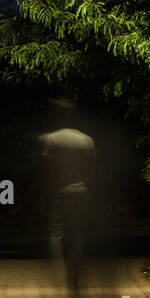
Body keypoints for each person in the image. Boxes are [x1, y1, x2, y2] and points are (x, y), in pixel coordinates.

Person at [39, 97, 97, 273]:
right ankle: (76, 266)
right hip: (80, 191)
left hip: (60, 191)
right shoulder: (85, 140)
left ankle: (60, 266)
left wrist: (46, 191)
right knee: (78, 231)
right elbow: (92, 170)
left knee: (57, 231)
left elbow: (48, 169)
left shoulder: (53, 140)